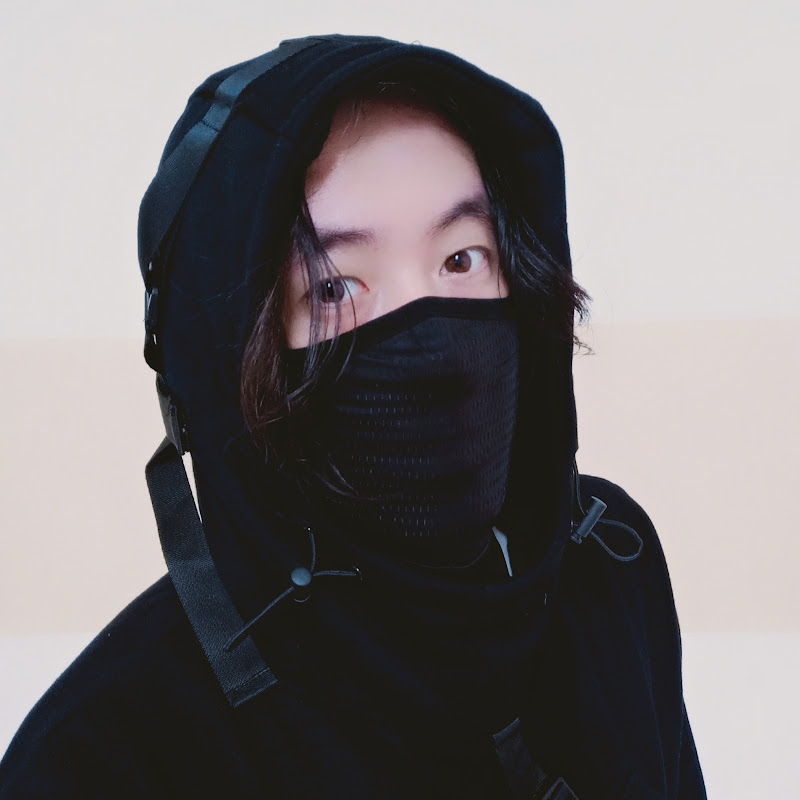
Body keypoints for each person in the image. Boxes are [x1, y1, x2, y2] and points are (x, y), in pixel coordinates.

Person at [0, 34, 707, 799]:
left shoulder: (609, 568)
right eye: (334, 289)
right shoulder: (100, 758)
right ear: (224, 357)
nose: (434, 344)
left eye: (462, 259)